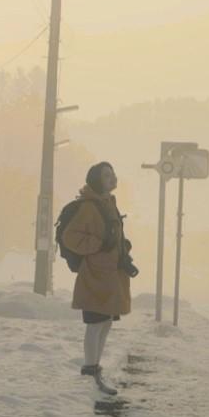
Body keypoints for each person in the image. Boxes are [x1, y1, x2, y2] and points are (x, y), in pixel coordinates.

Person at [60, 161, 138, 395]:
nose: (112, 178)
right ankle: (90, 371)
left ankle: (95, 369)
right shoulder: (89, 206)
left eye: (113, 173)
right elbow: (70, 236)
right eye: (106, 175)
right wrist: (98, 246)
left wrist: (121, 247)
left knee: (105, 323)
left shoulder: (107, 203)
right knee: (95, 324)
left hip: (110, 275)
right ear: (96, 180)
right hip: (95, 275)